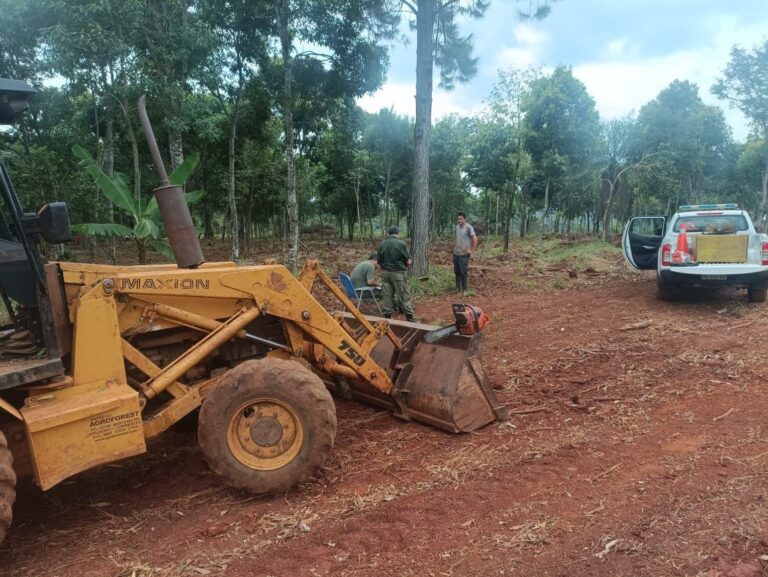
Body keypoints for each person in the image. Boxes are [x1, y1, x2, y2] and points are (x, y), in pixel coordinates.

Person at [376, 226, 416, 321]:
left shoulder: (382, 244)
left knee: (387, 296)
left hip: (385, 274)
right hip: (398, 274)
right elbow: (409, 261)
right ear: (397, 233)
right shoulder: (401, 243)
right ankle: (410, 318)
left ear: (389, 233)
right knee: (403, 295)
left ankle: (387, 319)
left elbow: (378, 261)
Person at [453, 211, 478, 294]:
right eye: (458, 219)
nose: (459, 220)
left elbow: (475, 239)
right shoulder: (457, 227)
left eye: (461, 219)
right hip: (456, 253)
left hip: (464, 254)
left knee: (463, 272)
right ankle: (458, 288)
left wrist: (471, 250)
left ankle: (465, 290)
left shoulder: (468, 227)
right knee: (457, 272)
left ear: (465, 219)